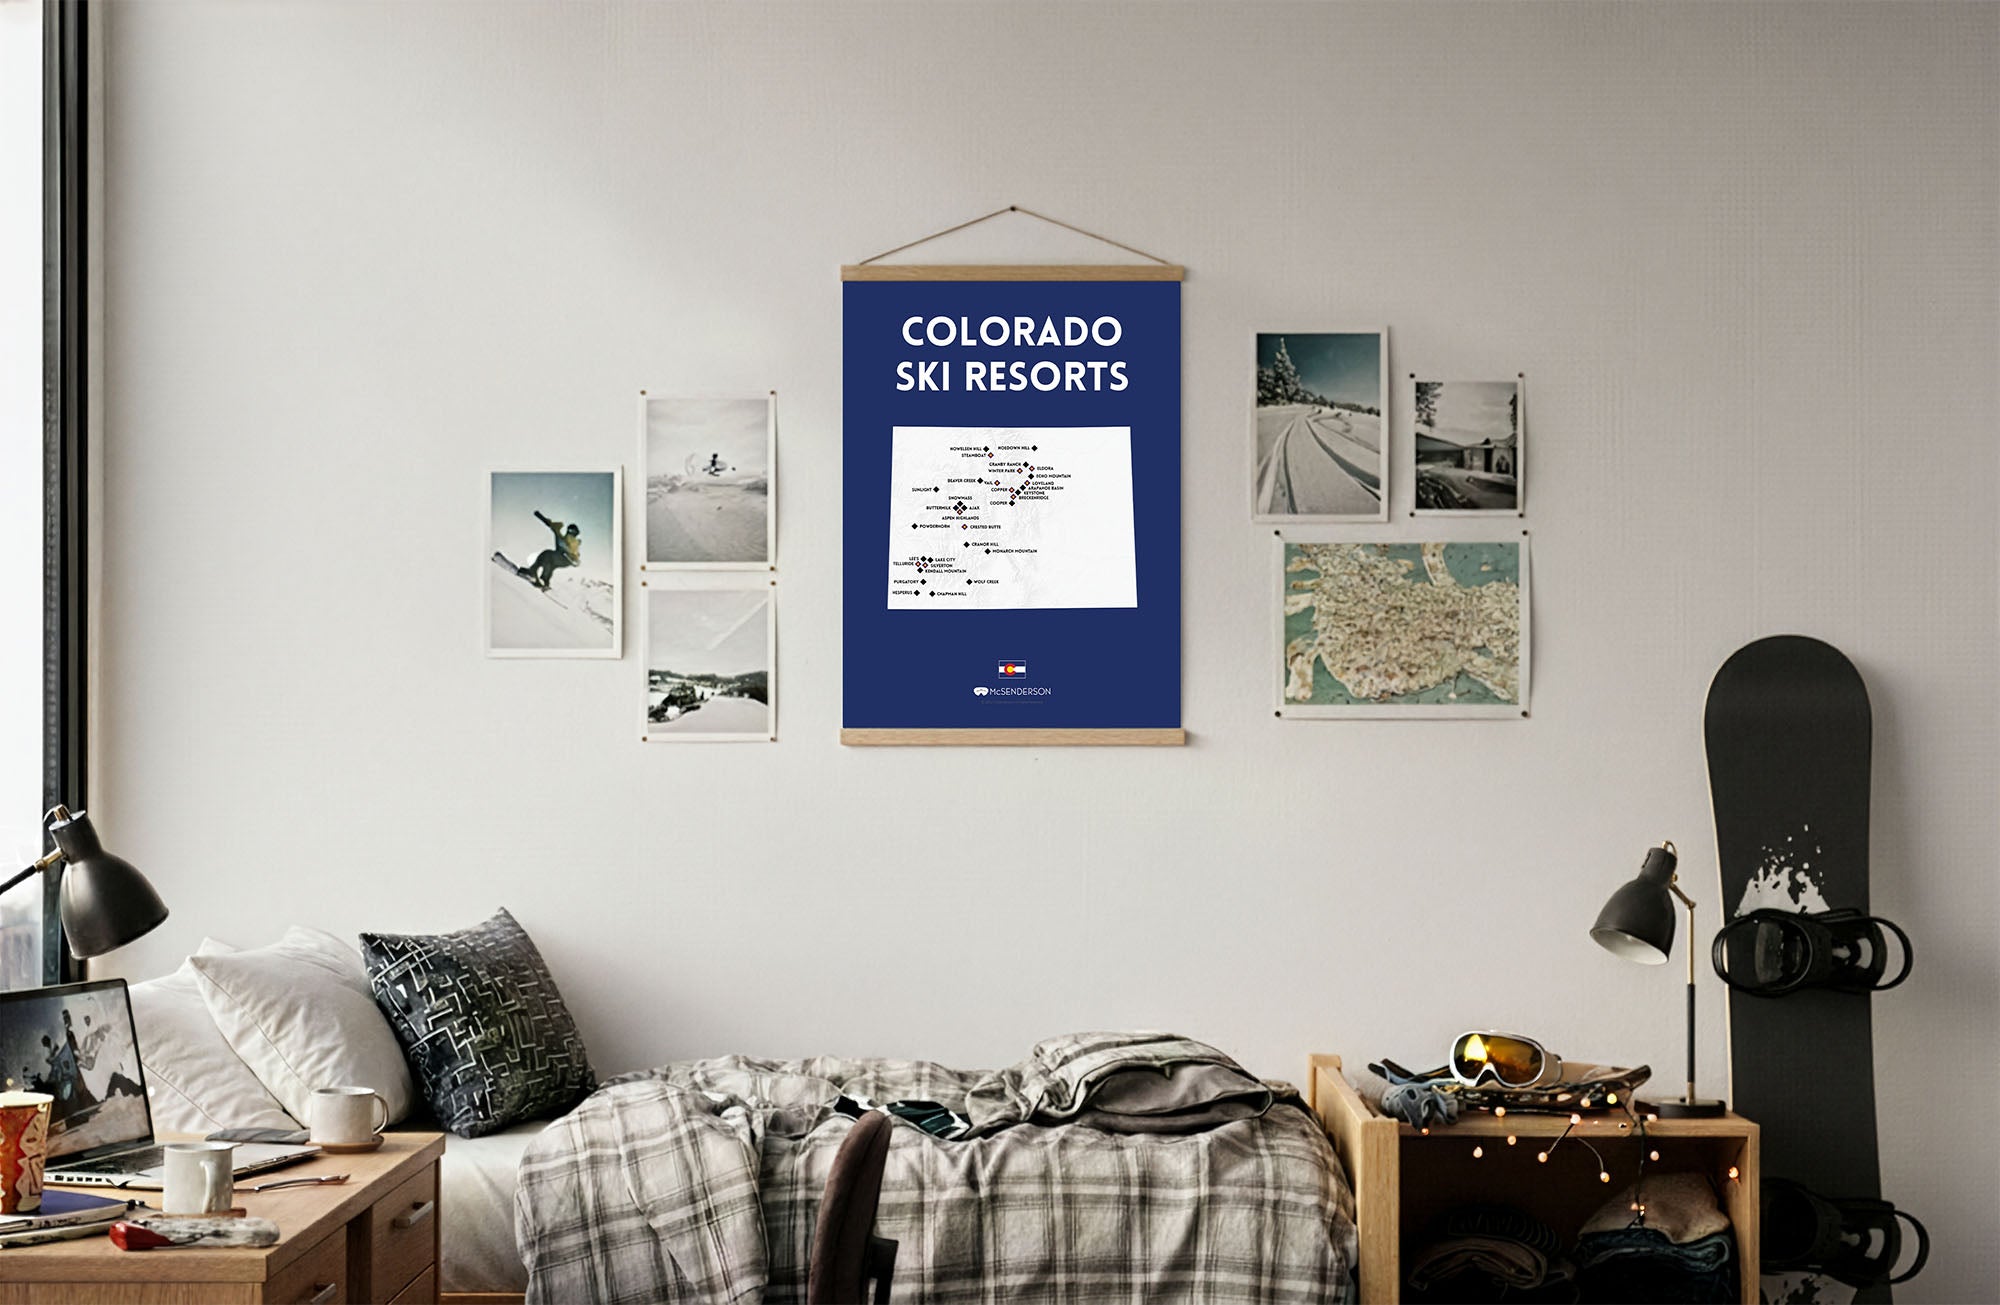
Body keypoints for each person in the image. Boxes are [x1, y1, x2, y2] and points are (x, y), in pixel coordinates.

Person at [521, 510, 581, 590]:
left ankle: (540, 577)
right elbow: (553, 527)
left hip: (566, 558)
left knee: (548, 555)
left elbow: (574, 549)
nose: (569, 532)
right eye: (569, 530)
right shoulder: (563, 538)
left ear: (575, 533)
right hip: (561, 557)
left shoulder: (574, 541)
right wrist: (542, 518)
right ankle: (542, 579)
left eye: (572, 531)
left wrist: (574, 558)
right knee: (549, 561)